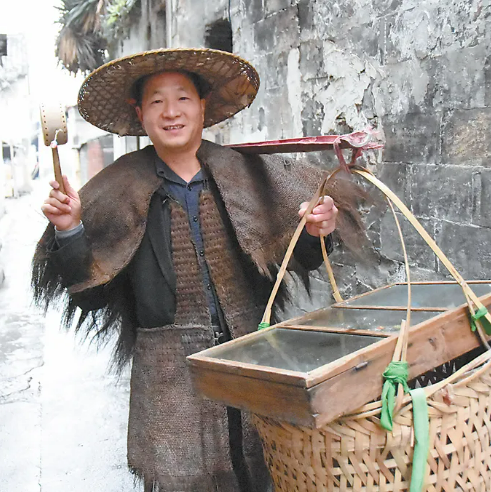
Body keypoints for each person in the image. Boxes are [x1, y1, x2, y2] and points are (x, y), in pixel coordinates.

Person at [32, 48, 367, 492]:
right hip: (168, 377)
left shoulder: (246, 172)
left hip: (254, 357)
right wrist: (71, 229)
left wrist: (315, 230)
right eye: (156, 101)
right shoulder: (118, 187)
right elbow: (88, 291)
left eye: (183, 98)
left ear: (203, 106)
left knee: (265, 467)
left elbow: (297, 256)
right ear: (140, 113)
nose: (171, 112)